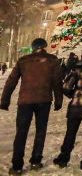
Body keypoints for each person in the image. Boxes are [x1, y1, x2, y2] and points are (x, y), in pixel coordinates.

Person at [0, 38, 63, 175]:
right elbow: (57, 82)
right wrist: (59, 101)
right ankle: (35, 161)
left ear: (33, 47)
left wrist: (5, 100)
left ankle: (17, 166)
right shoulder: (53, 60)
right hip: (44, 101)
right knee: (40, 131)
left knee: (21, 133)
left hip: (25, 101)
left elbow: (11, 81)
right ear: (45, 47)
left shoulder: (24, 60)